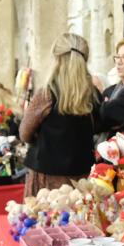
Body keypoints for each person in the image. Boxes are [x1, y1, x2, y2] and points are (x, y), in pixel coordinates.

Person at [20, 33, 102, 197]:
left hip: (46, 177)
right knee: (79, 220)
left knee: (46, 220)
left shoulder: (47, 95)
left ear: (56, 59)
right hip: (81, 177)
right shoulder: (93, 95)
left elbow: (24, 133)